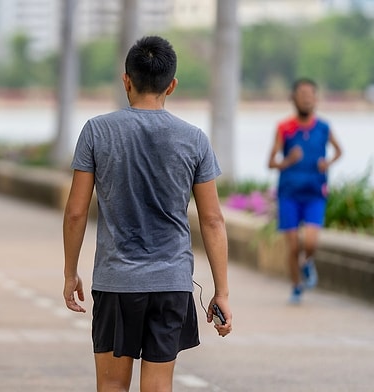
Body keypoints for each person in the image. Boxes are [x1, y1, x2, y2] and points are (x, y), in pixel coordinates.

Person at [62, 36, 232, 392]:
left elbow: (76, 212)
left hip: (115, 282)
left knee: (111, 386)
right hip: (171, 282)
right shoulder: (194, 138)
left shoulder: (97, 131)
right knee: (157, 387)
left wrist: (70, 272)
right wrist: (222, 291)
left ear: (126, 80)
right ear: (171, 85)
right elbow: (213, 219)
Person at [267, 78, 342, 305]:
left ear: (316, 99)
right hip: (289, 193)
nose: (306, 99)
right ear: (293, 98)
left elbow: (339, 151)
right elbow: (270, 162)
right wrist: (288, 160)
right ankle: (296, 286)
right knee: (292, 245)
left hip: (314, 193)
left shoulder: (324, 128)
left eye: (310, 95)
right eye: (302, 95)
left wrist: (327, 164)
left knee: (310, 242)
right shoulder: (284, 128)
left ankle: (307, 263)